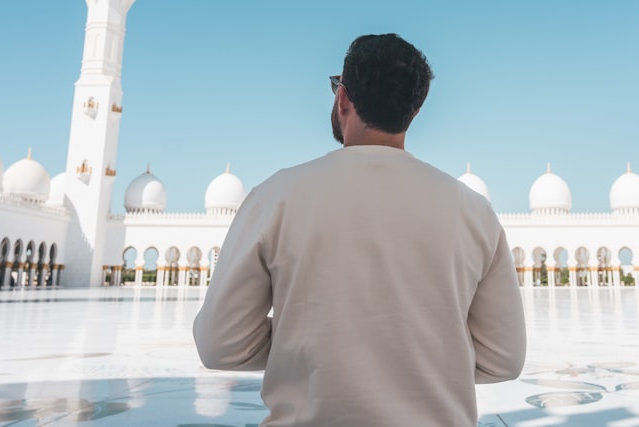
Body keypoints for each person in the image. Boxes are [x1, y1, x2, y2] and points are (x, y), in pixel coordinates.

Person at [194, 33, 526, 427]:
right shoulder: (473, 212)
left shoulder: (276, 198)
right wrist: (413, 356)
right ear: (415, 111)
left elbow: (219, 345)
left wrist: (315, 344)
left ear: (343, 98)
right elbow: (505, 358)